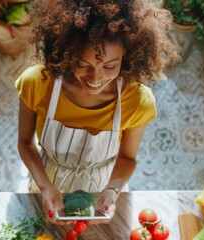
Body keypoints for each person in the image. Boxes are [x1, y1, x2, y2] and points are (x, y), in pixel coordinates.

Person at [16, 0, 179, 224]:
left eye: (110, 66)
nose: (95, 79)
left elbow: (127, 157)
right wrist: (45, 187)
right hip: (46, 181)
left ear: (127, 53)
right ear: (67, 51)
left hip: (104, 188)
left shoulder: (137, 101)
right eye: (83, 64)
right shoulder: (38, 83)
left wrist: (112, 192)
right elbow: (25, 143)